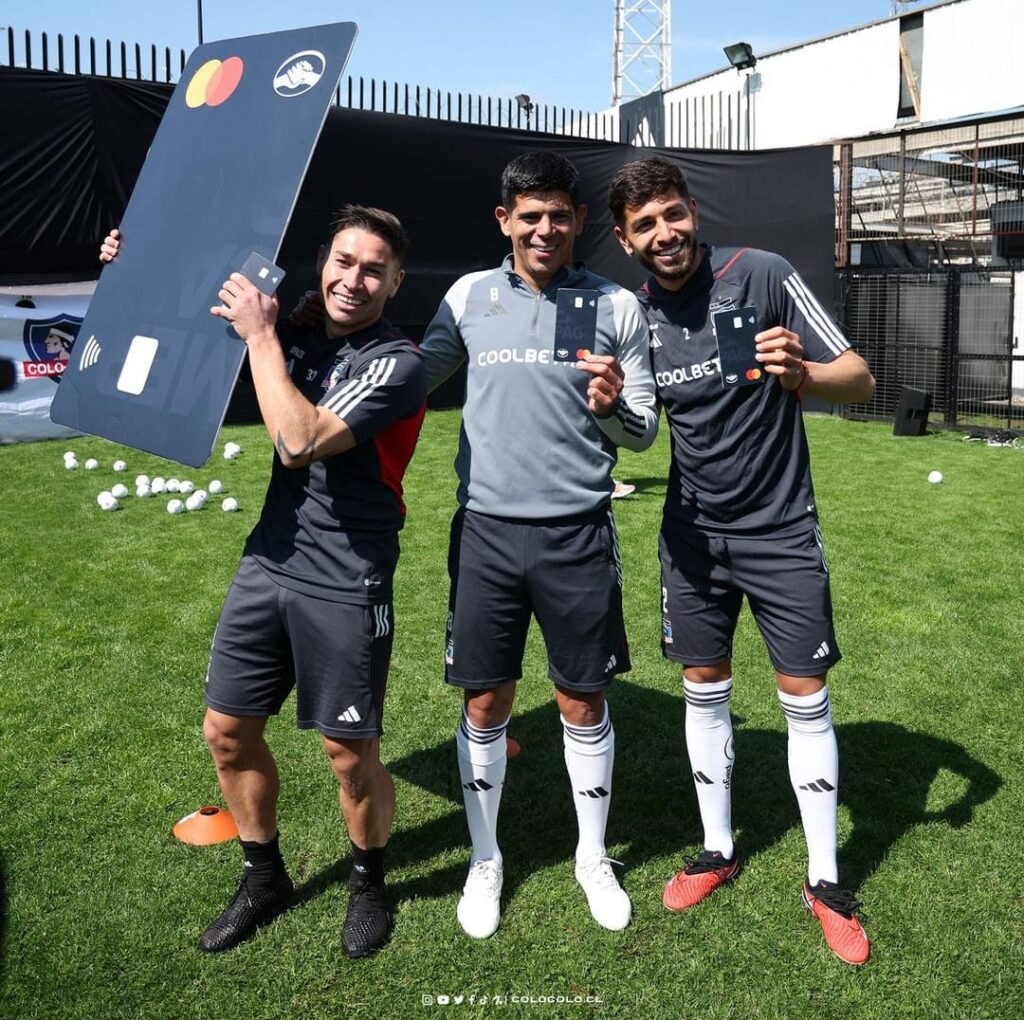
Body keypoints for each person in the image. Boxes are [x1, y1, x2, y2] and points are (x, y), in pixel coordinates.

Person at [99, 206, 426, 959]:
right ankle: (263, 875)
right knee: (227, 731)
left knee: (349, 752)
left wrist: (260, 335)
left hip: (347, 579)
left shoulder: (397, 362)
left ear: (396, 281)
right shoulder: (298, 328)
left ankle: (369, 882)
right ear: (323, 261)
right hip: (268, 563)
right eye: (344, 261)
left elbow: (297, 441)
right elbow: (183, 307)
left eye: (374, 268)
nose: (355, 279)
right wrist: (131, 261)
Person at [608, 157, 876, 965]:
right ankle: (717, 849)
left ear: (692, 210)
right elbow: (643, 429)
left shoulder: (761, 274)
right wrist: (610, 401)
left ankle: (825, 879)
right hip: (692, 540)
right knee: (704, 689)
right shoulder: (634, 312)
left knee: (804, 694)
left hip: (781, 531)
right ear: (626, 241)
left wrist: (804, 374)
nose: (665, 233)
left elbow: (858, 378)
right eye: (644, 225)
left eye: (671, 214)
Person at [420, 151, 658, 939]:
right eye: (530, 215)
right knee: (485, 700)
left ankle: (594, 855)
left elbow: (644, 434)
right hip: (486, 530)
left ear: (579, 220)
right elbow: (409, 380)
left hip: (577, 532)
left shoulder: (617, 305)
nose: (545, 228)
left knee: (581, 700)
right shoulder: (466, 299)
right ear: (505, 221)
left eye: (559, 214)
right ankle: (485, 858)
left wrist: (613, 405)